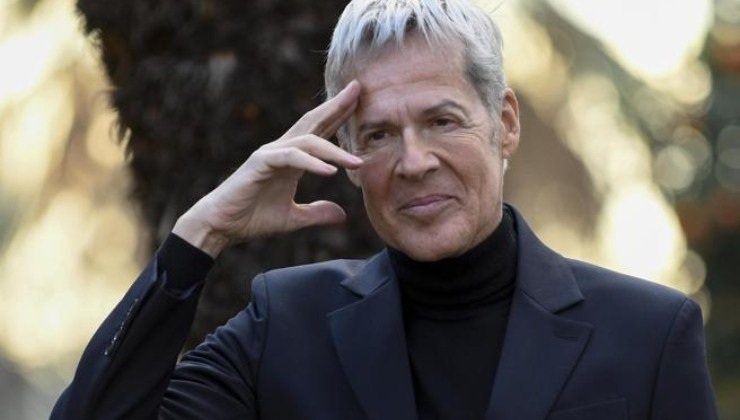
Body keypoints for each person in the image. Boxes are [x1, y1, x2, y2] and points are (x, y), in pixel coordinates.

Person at [51, 0, 718, 419]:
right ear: (345, 151)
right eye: (377, 135)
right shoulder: (285, 327)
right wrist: (202, 233)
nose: (413, 161)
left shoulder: (649, 334)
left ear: (505, 123)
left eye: (442, 121)